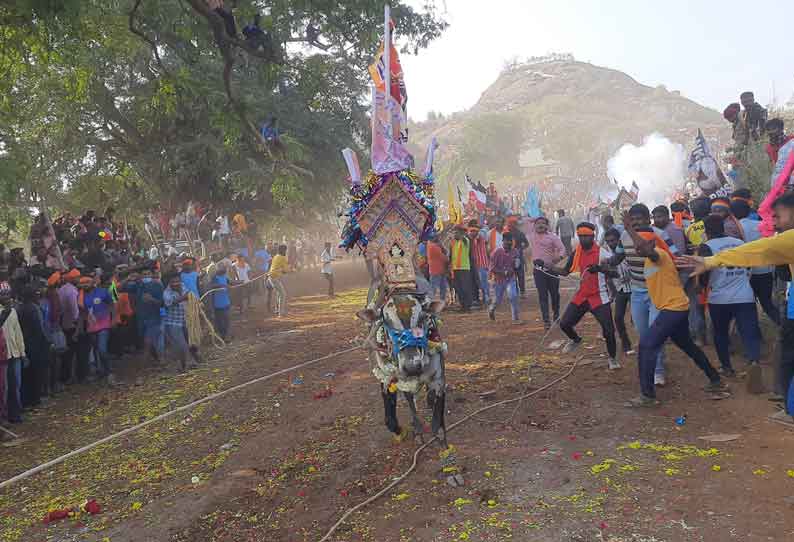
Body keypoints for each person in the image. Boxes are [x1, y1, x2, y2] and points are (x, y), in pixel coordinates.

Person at [678, 194, 794, 421]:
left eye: (778, 216)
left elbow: (759, 250)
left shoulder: (790, 239)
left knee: (788, 358)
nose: (775, 222)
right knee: (767, 343)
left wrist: (710, 262)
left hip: (723, 300)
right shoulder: (744, 240)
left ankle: (790, 411)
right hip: (747, 297)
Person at [622, 213, 724, 407]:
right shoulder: (649, 260)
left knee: (647, 345)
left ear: (652, 244)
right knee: (688, 346)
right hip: (675, 308)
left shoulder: (658, 254)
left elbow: (646, 248)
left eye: (641, 244)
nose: (636, 247)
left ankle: (647, 396)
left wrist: (629, 230)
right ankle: (715, 379)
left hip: (673, 309)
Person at [696, 215, 762, 388]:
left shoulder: (706, 247)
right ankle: (753, 362)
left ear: (706, 230)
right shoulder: (739, 243)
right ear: (723, 226)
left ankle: (727, 367)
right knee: (749, 332)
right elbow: (749, 266)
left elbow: (703, 274)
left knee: (720, 333)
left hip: (719, 298)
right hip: (744, 296)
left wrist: (702, 287)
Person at [548, 222, 619, 370]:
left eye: (586, 236)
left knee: (609, 331)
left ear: (592, 236)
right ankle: (576, 339)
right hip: (581, 295)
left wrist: (600, 269)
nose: (583, 240)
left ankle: (612, 358)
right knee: (564, 324)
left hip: (598, 296)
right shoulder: (576, 252)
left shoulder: (602, 253)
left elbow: (615, 273)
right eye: (581, 237)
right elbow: (565, 271)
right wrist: (548, 267)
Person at [618, 204, 675, 385]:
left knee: (653, 332)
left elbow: (674, 256)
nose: (636, 222)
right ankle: (658, 360)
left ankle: (657, 371)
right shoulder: (624, 236)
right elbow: (618, 256)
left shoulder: (659, 235)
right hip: (637, 293)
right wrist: (605, 264)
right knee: (644, 334)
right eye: (633, 219)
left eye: (639, 219)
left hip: (657, 292)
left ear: (647, 219)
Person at [731, 199, 779, 324]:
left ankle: (754, 333)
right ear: (748, 211)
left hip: (745, 273)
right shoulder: (761, 224)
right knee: (767, 304)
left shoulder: (734, 229)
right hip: (765, 270)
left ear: (732, 213)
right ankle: (783, 326)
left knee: (747, 306)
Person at [527, 216, 566, 328]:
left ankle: (556, 315)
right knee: (542, 295)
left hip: (552, 270)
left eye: (543, 223)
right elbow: (524, 222)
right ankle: (546, 320)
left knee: (555, 294)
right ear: (534, 225)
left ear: (547, 226)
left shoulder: (553, 237)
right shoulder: (532, 235)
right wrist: (533, 219)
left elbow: (563, 250)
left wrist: (556, 260)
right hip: (538, 271)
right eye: (538, 223)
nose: (540, 225)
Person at [602, 228, 633, 355]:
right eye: (608, 241)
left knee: (637, 318)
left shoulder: (628, 249)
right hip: (621, 289)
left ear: (619, 239)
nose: (611, 243)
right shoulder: (607, 254)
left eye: (613, 240)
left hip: (635, 287)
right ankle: (626, 344)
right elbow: (609, 276)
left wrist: (630, 276)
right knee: (618, 318)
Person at [82, 275, 115, 384]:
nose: (85, 285)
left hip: (104, 325)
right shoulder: (81, 295)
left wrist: (113, 319)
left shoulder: (103, 292)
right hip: (91, 327)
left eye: (87, 282)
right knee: (96, 350)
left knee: (102, 349)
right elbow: (83, 312)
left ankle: (109, 372)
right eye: (83, 283)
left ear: (93, 283)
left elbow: (112, 304)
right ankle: (101, 372)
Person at [0, 284, 25, 423]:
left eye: (7, 294)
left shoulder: (13, 311)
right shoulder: (3, 312)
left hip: (14, 353)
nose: (6, 297)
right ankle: (5, 416)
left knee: (16, 385)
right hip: (3, 355)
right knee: (4, 389)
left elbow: (18, 333)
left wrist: (22, 352)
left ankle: (16, 414)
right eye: (3, 294)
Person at [488, 232, 521, 324]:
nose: (509, 243)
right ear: (503, 241)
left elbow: (517, 265)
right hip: (498, 280)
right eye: (507, 241)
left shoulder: (515, 251)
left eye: (510, 241)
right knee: (497, 301)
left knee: (513, 296)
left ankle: (516, 318)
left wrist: (517, 264)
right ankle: (491, 309)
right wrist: (503, 272)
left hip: (511, 278)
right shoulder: (496, 252)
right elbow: (492, 268)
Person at [163, 274, 193, 372]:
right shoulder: (166, 293)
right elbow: (172, 302)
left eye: (178, 281)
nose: (176, 284)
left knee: (184, 344)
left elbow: (189, 295)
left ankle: (182, 365)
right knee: (182, 344)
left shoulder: (183, 286)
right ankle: (188, 364)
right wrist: (184, 296)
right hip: (172, 322)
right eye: (173, 282)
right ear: (169, 283)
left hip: (184, 320)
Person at [58, 268, 81, 383]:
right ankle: (70, 376)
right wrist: (78, 326)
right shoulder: (72, 291)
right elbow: (75, 310)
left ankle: (65, 376)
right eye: (78, 277)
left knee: (66, 352)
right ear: (73, 279)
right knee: (72, 352)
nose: (79, 279)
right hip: (72, 325)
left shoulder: (61, 289)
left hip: (63, 324)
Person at [449, 226, 473, 312]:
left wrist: (462, 233)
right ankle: (463, 306)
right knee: (458, 288)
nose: (454, 234)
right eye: (454, 233)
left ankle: (468, 306)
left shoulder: (465, 241)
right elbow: (451, 256)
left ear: (461, 233)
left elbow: (465, 238)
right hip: (456, 269)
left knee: (465, 288)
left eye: (456, 232)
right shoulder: (454, 243)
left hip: (464, 268)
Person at [767, 118, 794, 191]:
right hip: (780, 182)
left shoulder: (791, 140)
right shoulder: (769, 147)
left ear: (781, 129)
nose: (771, 132)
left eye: (773, 129)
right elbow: (773, 165)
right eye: (769, 129)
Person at [467, 220, 489, 308]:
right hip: (474, 265)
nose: (473, 232)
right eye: (471, 230)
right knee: (476, 284)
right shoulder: (469, 239)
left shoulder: (481, 236)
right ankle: (478, 299)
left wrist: (479, 227)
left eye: (474, 230)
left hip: (482, 264)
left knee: (483, 283)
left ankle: (486, 299)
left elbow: (483, 231)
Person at [506, 217, 529, 296]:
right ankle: (515, 290)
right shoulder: (506, 233)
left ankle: (522, 291)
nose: (511, 225)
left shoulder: (520, 233)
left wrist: (521, 248)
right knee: (512, 274)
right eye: (510, 224)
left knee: (520, 275)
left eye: (513, 223)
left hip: (519, 257)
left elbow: (527, 244)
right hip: (509, 257)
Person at [209, 264, 232, 340]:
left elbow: (231, 282)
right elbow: (212, 285)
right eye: (223, 268)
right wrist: (223, 285)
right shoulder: (215, 278)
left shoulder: (225, 277)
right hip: (218, 304)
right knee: (220, 321)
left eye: (225, 268)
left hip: (226, 302)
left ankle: (227, 336)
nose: (224, 270)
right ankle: (223, 335)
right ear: (217, 270)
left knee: (227, 320)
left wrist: (241, 282)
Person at [426, 233, 449, 302]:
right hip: (436, 270)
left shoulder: (431, 245)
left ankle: (441, 301)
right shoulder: (433, 246)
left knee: (442, 287)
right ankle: (432, 301)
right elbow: (444, 258)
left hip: (438, 270)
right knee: (435, 287)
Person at [269, 245, 290, 317]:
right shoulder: (282, 257)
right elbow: (286, 270)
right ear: (283, 250)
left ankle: (277, 310)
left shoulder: (276, 256)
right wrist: (290, 269)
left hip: (271, 277)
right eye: (285, 250)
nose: (286, 252)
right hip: (274, 277)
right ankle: (281, 313)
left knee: (279, 294)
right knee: (283, 294)